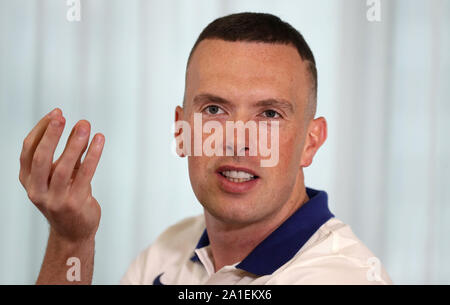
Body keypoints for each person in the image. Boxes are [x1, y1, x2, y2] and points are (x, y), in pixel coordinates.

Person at [19, 12, 391, 285]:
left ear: (311, 142)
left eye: (270, 113)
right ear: (181, 131)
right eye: (214, 109)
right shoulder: (170, 249)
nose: (238, 139)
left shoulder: (344, 277)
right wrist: (70, 239)